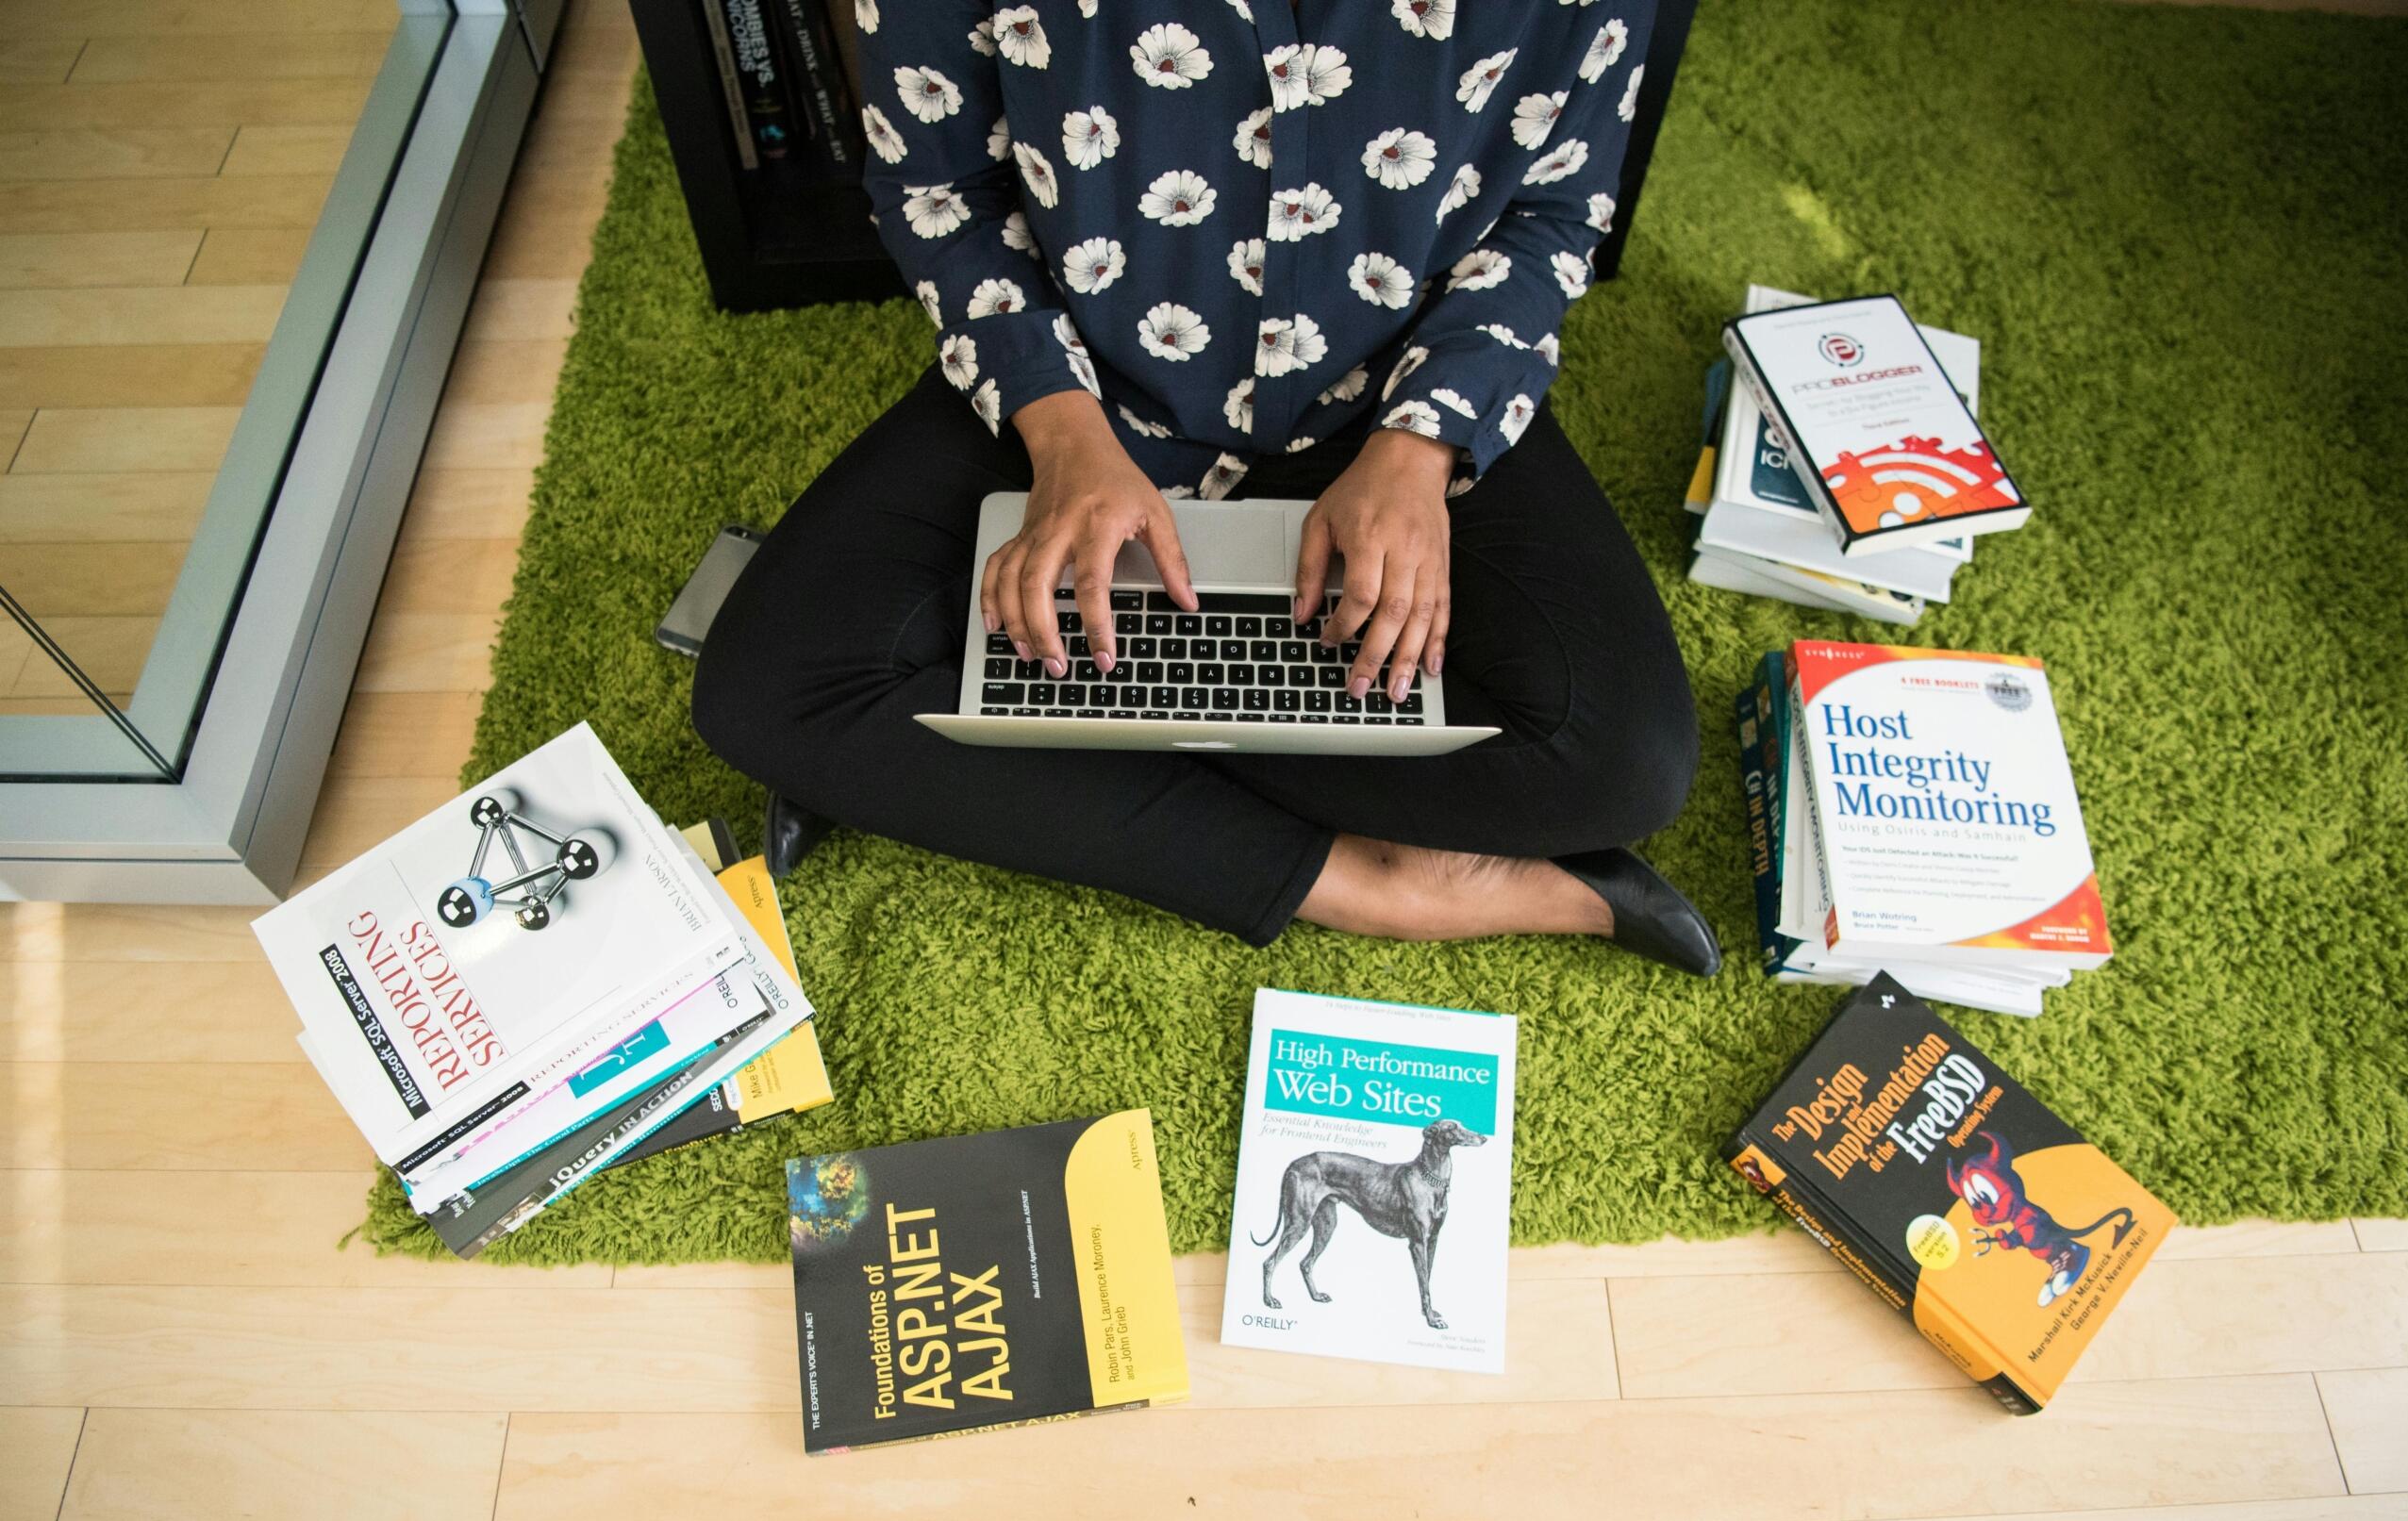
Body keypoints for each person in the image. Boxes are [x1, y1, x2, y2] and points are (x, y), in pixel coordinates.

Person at [693, 0, 1719, 974]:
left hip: (1392, 388)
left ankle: (947, 755)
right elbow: (938, 190)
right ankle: (1376, 879)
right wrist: (1062, 434)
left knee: (1624, 759)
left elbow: (1551, 212)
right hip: (1083, 382)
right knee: (768, 684)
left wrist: (1419, 449)